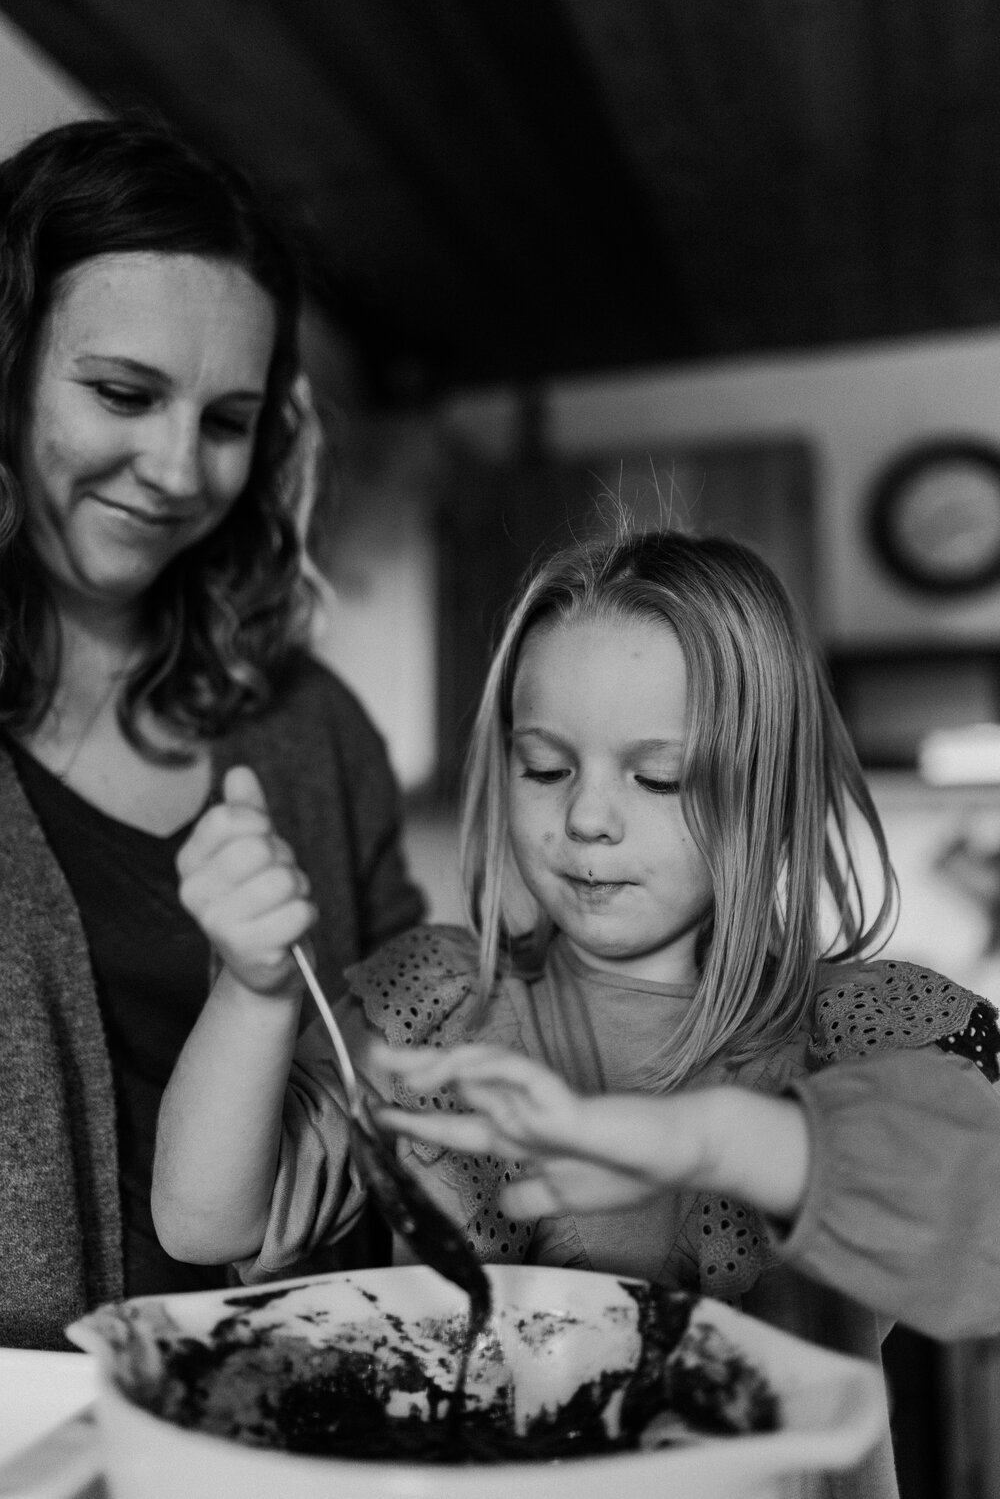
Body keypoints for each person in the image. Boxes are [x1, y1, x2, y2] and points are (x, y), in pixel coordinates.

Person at [154, 526, 1000, 1499]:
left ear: (771, 788)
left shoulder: (875, 1023)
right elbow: (204, 1220)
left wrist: (715, 1140)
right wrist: (254, 989)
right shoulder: (431, 1002)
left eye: (657, 775)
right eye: (547, 768)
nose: (587, 817)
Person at [0, 116, 424, 1349]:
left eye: (228, 420)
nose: (179, 470)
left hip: (307, 1403)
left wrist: (347, 1106)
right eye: (124, 393)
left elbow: (417, 996)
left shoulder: (309, 723)